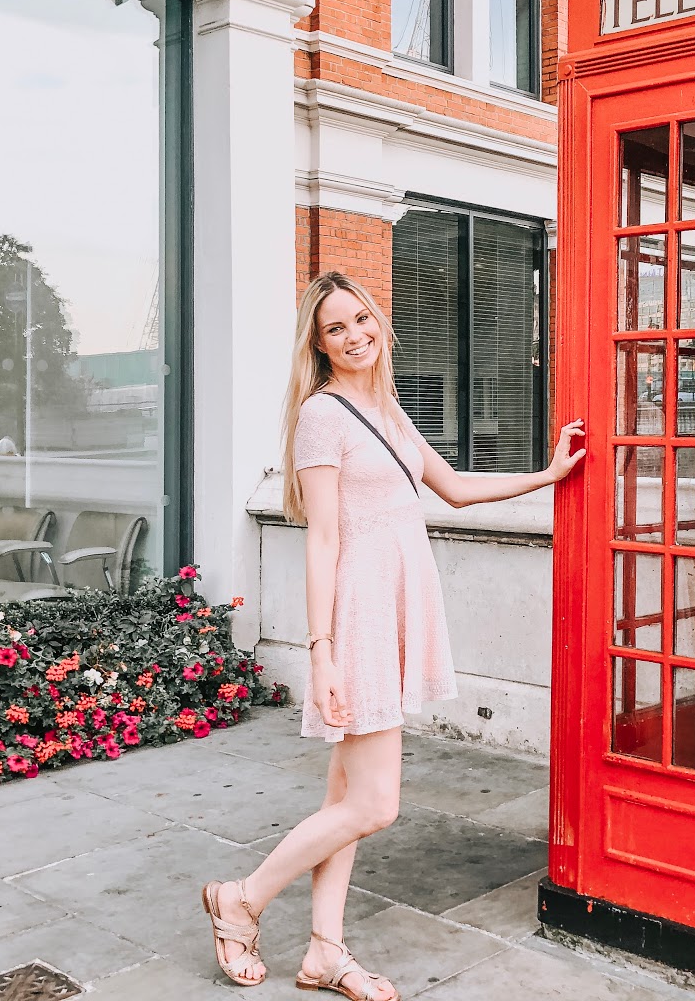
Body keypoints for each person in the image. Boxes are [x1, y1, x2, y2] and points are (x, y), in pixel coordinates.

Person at [202, 271, 584, 998]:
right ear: (317, 346)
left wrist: (550, 472)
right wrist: (322, 652)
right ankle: (241, 898)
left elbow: (457, 488)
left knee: (344, 798)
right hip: (360, 617)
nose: (354, 336)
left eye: (360, 320)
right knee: (376, 805)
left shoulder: (386, 408)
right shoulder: (322, 416)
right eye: (335, 329)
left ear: (379, 322)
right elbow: (320, 542)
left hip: (397, 604)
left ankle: (324, 951)